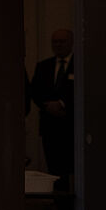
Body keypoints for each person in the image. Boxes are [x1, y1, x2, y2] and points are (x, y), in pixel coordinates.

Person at [30, 29, 74, 192]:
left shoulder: (81, 64)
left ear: (71, 42)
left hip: (71, 126)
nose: (58, 45)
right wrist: (47, 106)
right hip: (50, 127)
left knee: (72, 168)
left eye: (62, 41)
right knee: (54, 169)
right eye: (55, 41)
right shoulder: (44, 66)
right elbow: (35, 91)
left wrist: (62, 104)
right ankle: (58, 205)